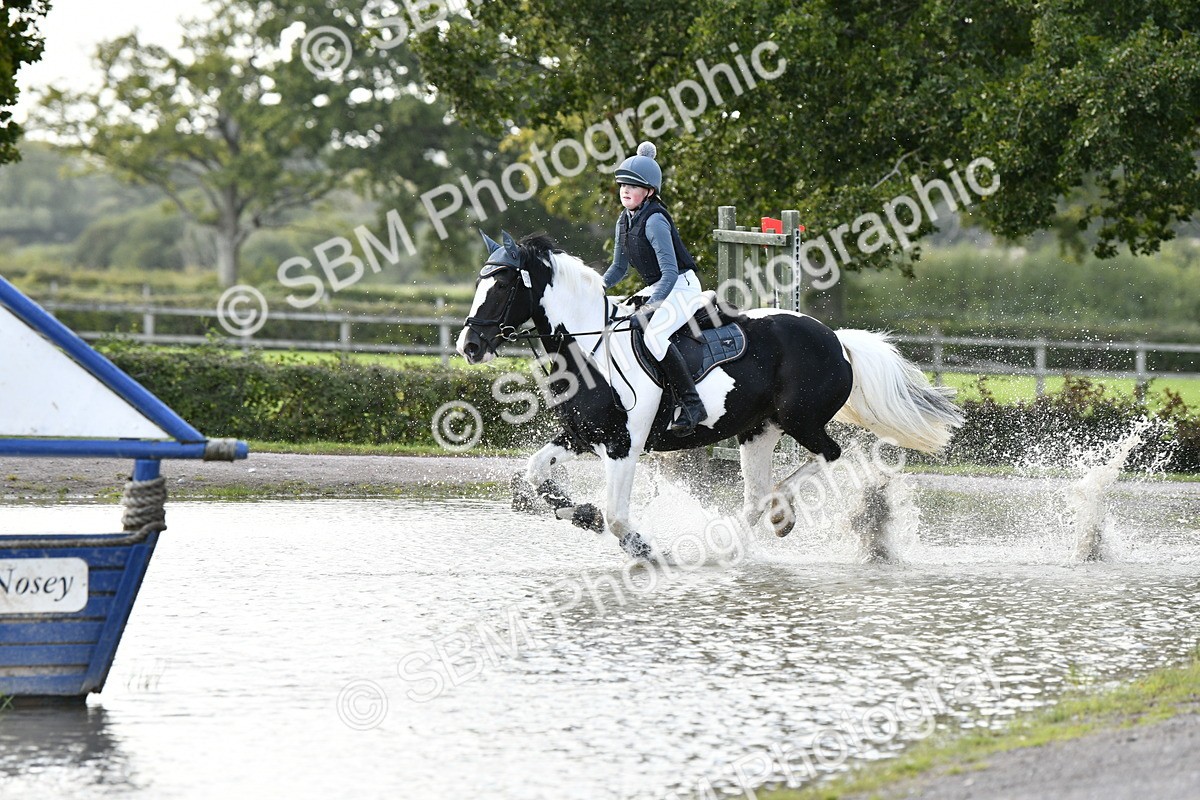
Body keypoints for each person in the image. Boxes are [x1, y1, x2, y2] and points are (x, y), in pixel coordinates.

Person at [603, 141, 709, 437]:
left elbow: (671, 273)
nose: (625, 190)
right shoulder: (624, 220)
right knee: (616, 322)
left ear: (649, 191)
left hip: (682, 287)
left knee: (654, 335)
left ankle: (692, 404)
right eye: (623, 185)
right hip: (659, 287)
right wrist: (596, 287)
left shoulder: (655, 221)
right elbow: (618, 269)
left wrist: (651, 307)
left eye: (633, 186)